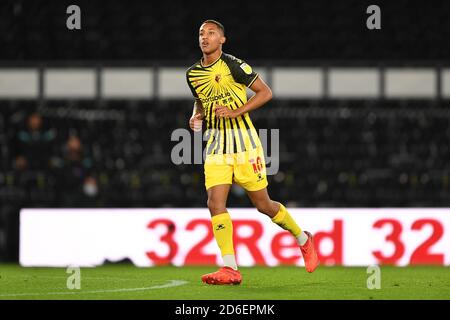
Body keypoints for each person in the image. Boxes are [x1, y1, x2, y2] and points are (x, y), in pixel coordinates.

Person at [186, 20, 318, 285]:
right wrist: (195, 116)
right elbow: (200, 100)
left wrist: (235, 111)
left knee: (264, 205)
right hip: (216, 146)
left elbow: (265, 92)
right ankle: (230, 268)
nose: (205, 37)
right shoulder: (192, 74)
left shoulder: (234, 64)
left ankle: (303, 239)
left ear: (222, 39)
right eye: (202, 33)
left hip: (245, 145)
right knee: (215, 203)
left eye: (211, 33)